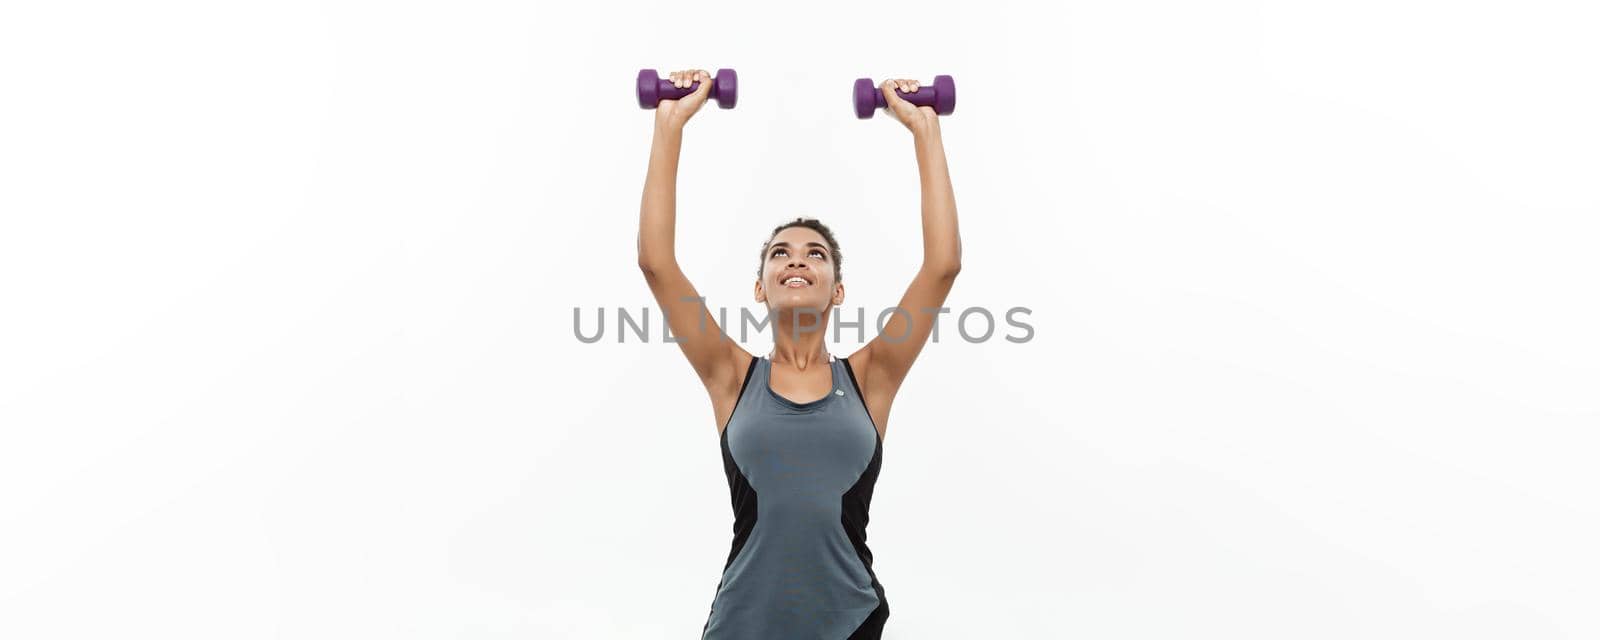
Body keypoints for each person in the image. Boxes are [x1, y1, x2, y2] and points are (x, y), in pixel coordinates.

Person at [637, 68, 962, 640]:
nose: (796, 260)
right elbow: (656, 261)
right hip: (742, 625)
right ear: (760, 286)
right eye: (780, 253)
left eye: (815, 254)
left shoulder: (873, 376)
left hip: (848, 622)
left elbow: (943, 266)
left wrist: (925, 130)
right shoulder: (730, 374)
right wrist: (670, 124)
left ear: (837, 291)